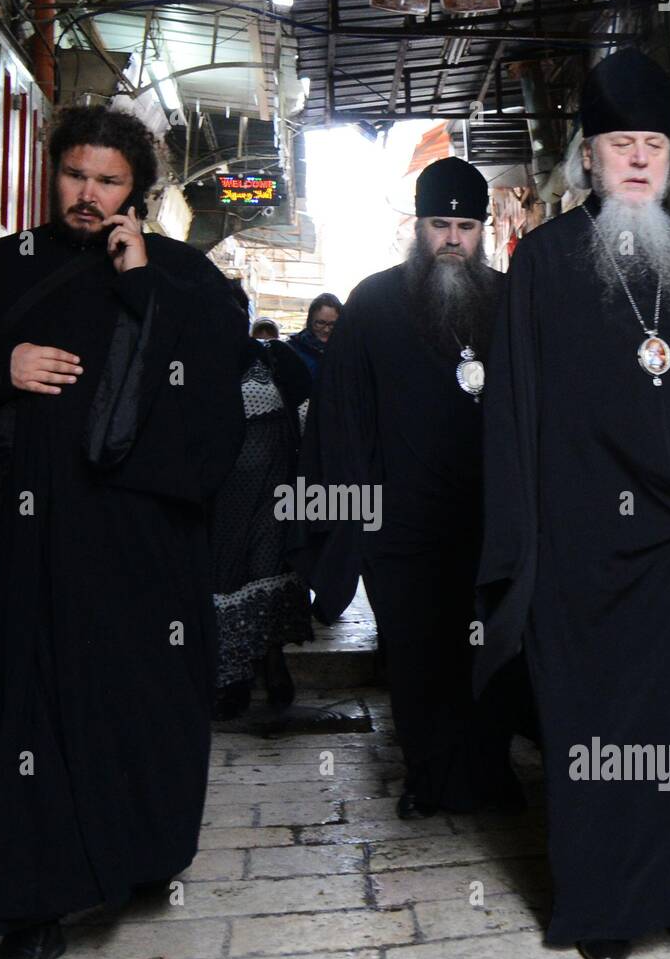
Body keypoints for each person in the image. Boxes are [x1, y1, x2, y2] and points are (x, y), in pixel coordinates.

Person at [0, 104, 246, 959]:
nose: (88, 196)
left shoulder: (179, 276)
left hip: (137, 547)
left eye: (108, 181)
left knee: (131, 701)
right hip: (23, 546)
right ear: (50, 174)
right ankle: (25, 911)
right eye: (74, 176)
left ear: (136, 189)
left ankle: (131, 855)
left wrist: (142, 293)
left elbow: (219, 395)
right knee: (24, 710)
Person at [476, 48, 670, 959]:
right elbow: (510, 411)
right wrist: (522, 544)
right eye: (619, 145)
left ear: (668, 159)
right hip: (583, 546)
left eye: (651, 145)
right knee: (596, 733)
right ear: (589, 160)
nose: (637, 160)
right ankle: (601, 904)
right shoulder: (544, 263)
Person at [296, 157, 529, 819]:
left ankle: (489, 771)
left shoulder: (510, 301)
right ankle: (428, 778)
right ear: (416, 227)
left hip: (493, 523)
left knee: (494, 655)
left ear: (482, 229)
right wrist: (354, 519)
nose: (452, 239)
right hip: (401, 529)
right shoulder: (372, 302)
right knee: (420, 659)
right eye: (439, 224)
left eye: (464, 225)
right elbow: (341, 418)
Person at [210, 305, 314, 719]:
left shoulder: (277, 356)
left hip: (275, 491)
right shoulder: (199, 362)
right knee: (227, 576)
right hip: (222, 499)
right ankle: (234, 679)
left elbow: (307, 411)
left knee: (268, 570)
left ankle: (273, 665)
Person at [286, 293, 342, 381]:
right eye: (320, 323)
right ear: (310, 321)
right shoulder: (292, 349)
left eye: (332, 324)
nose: (326, 329)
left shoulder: (346, 351)